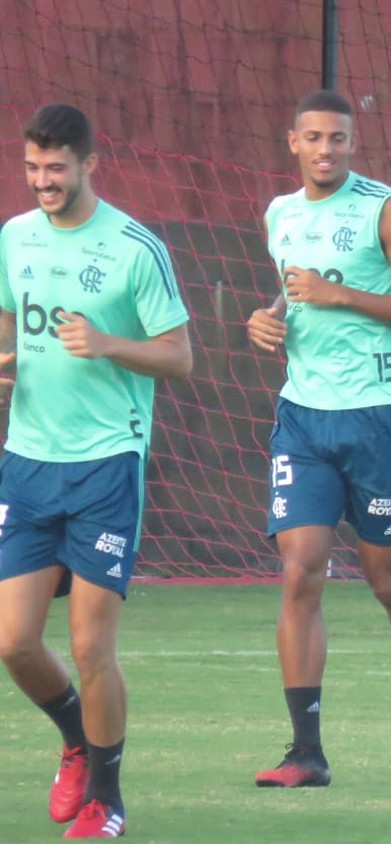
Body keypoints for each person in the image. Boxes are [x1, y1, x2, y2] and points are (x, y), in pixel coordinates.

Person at [247, 89, 391, 788]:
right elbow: (292, 292)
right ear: (293, 142)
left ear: (353, 142)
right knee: (301, 568)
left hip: (379, 414)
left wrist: (344, 297)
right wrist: (268, 319)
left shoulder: (384, 209)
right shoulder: (278, 215)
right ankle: (305, 751)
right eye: (314, 138)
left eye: (338, 138)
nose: (326, 150)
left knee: (387, 581)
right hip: (304, 416)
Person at [0, 103, 193, 839]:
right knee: (14, 641)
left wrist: (109, 343)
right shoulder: (14, 237)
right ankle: (77, 740)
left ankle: (107, 799)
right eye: (32, 168)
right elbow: (8, 316)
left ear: (89, 165)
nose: (43, 182)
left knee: (89, 646)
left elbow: (179, 357)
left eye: (56, 169)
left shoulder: (134, 249)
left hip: (107, 463)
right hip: (26, 462)